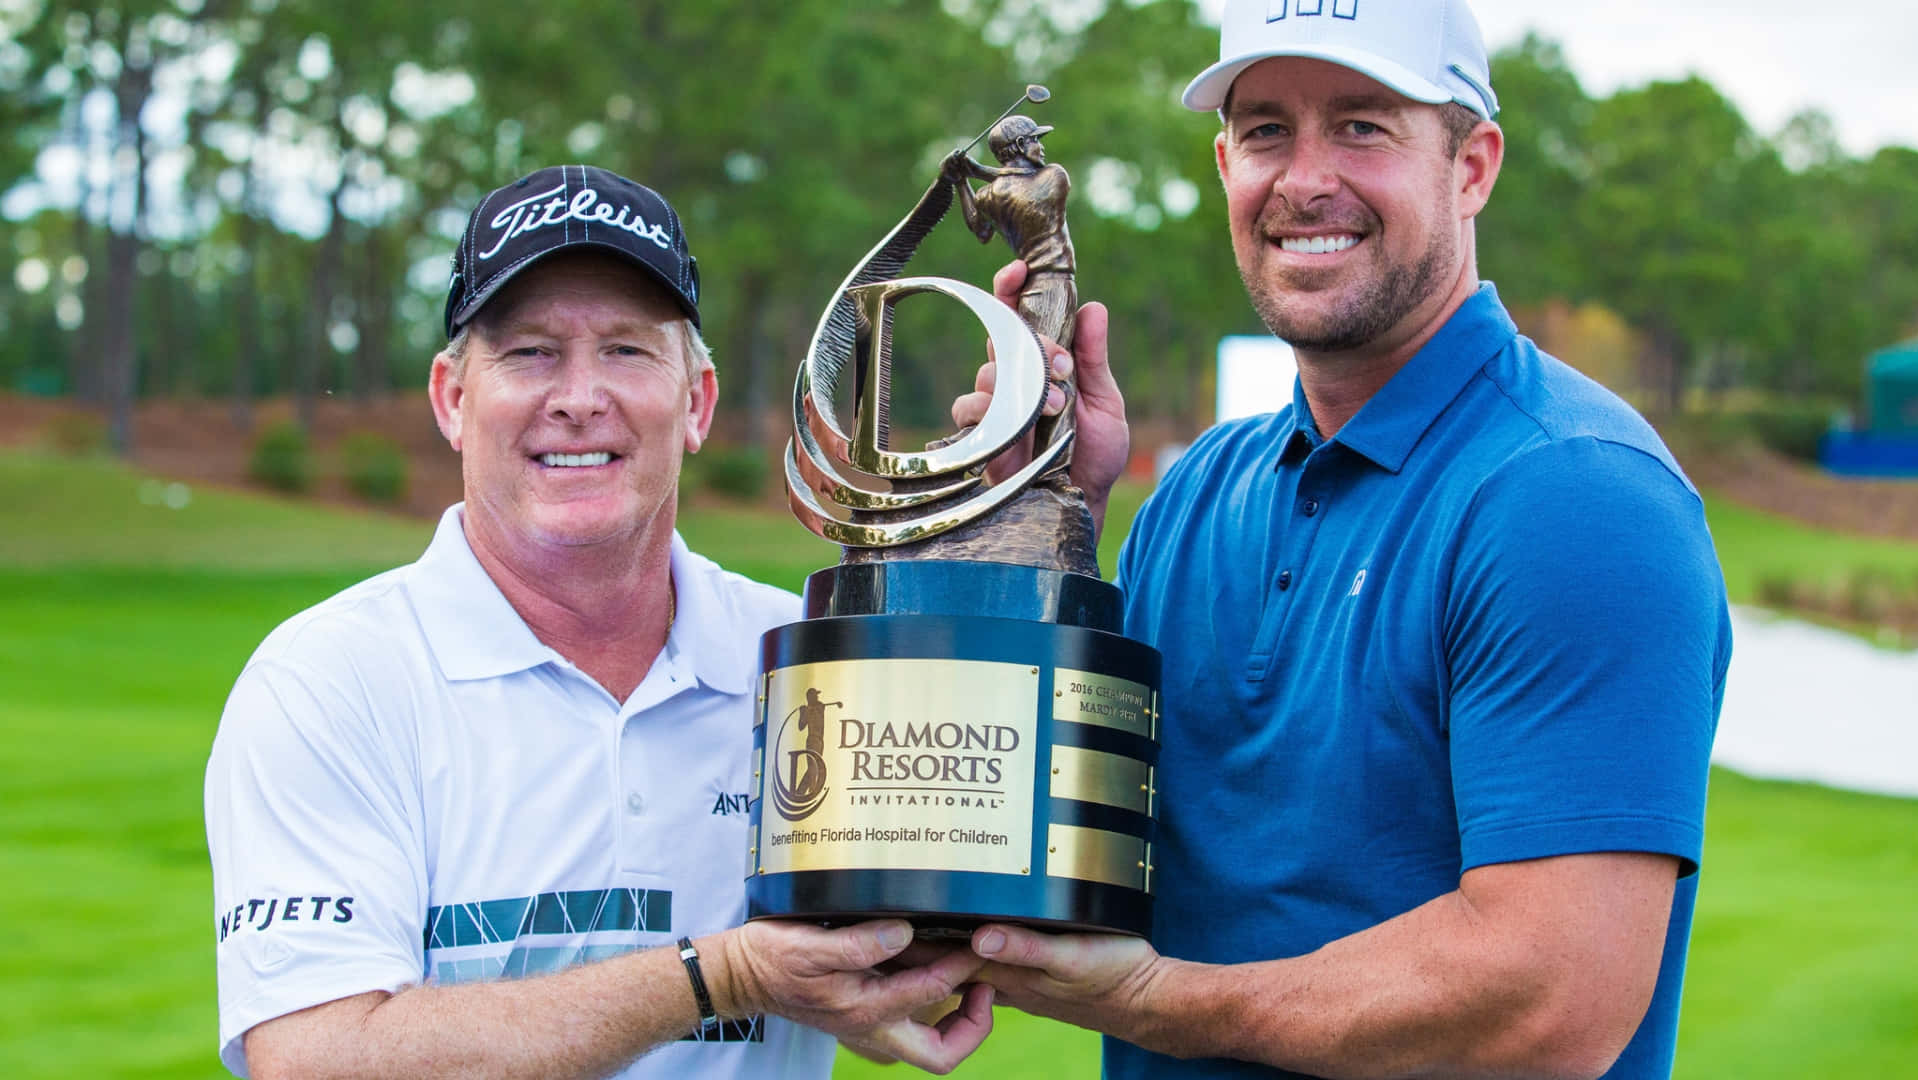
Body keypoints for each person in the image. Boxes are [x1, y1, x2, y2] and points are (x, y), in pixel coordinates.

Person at [949, 2, 1733, 1077]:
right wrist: (1046, 524)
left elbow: (1551, 999)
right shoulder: (1194, 493)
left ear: (1472, 166)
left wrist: (1153, 999)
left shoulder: (1573, 497)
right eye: (1267, 130)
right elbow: (1039, 838)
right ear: (1225, 163)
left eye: (1363, 126)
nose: (1305, 180)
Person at [204, 165, 992, 1080]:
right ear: (453, 400)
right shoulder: (330, 680)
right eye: (530, 351)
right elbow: (316, 1060)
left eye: (625, 350)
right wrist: (721, 975)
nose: (579, 396)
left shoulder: (809, 667)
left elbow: (922, 986)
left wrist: (1017, 520)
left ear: (695, 403)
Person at [943, 116, 1078, 349]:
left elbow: (981, 230)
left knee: (1041, 362)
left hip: (1031, 287)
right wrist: (965, 178)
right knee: (1048, 368)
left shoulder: (988, 195)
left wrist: (965, 178)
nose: (1041, 147)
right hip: (1055, 285)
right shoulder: (1055, 175)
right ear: (1018, 146)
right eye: (1035, 140)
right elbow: (1018, 187)